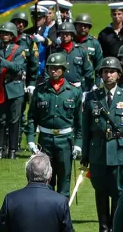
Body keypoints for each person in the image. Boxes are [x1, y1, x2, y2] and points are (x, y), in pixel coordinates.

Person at [80, 56, 123, 232]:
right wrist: (85, 154)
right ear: (100, 74)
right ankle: (103, 230)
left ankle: (117, 230)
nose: (108, 75)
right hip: (98, 152)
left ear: (118, 74)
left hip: (120, 151)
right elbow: (86, 130)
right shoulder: (92, 98)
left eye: (112, 72)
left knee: (118, 192)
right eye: (105, 72)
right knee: (100, 191)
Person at [25, 53, 83, 194]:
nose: (53, 71)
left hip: (65, 141)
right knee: (45, 180)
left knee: (64, 181)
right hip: (45, 141)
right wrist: (31, 141)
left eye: (57, 68)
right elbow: (32, 118)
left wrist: (78, 144)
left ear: (63, 69)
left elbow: (79, 121)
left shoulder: (73, 92)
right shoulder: (40, 90)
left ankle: (62, 214)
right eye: (51, 68)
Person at [0, 22, 31, 159]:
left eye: (7, 34)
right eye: (2, 33)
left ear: (12, 35)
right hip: (0, 88)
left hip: (15, 88)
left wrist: (0, 61)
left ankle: (12, 150)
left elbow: (18, 67)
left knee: (14, 120)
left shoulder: (19, 50)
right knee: (1, 120)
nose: (4, 36)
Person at [50, 22, 95, 93]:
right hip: (60, 88)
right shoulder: (56, 52)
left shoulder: (81, 51)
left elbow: (88, 71)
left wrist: (87, 89)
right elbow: (48, 71)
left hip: (78, 88)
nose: (64, 36)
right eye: (62, 34)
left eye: (67, 34)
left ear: (72, 35)